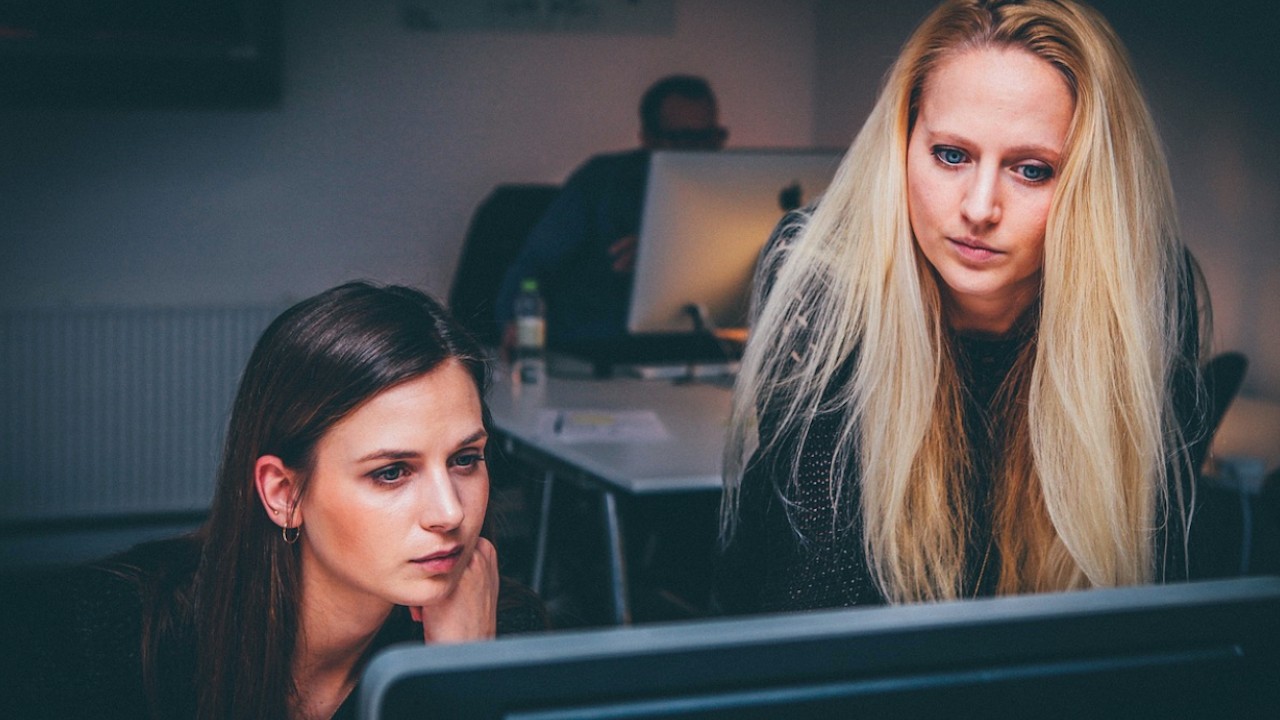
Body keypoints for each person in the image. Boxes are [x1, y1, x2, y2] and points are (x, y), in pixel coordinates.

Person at [717, 0, 1211, 614]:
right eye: (951, 155)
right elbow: (828, 590)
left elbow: (1144, 592)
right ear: (902, 143)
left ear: (1093, 183)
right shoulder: (823, 276)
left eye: (1032, 170)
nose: (980, 207)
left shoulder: (1149, 292)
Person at [28, 282, 546, 719]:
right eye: (391, 472)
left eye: (464, 460)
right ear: (284, 493)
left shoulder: (491, 630)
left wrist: (460, 678)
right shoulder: (106, 635)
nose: (450, 513)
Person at [494, 74, 728, 349]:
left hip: (698, 347)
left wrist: (672, 257)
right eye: (684, 139)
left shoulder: (728, 195)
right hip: (600, 346)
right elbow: (535, 263)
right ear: (648, 139)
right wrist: (517, 324)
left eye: (710, 138)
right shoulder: (601, 182)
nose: (700, 152)